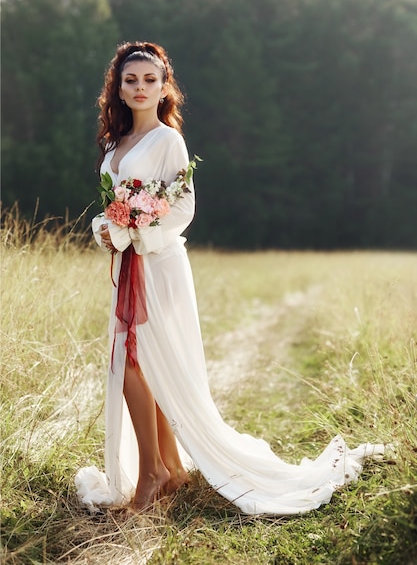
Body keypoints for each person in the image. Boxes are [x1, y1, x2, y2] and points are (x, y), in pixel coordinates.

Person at [75, 41, 385, 515]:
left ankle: (152, 474)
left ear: (164, 88)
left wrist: (137, 231)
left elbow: (182, 207)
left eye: (149, 80)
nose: (139, 88)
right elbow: (113, 202)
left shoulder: (168, 140)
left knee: (133, 368)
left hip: (159, 264)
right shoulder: (116, 144)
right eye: (130, 80)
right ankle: (171, 469)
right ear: (117, 88)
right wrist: (107, 227)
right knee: (141, 364)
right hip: (128, 264)